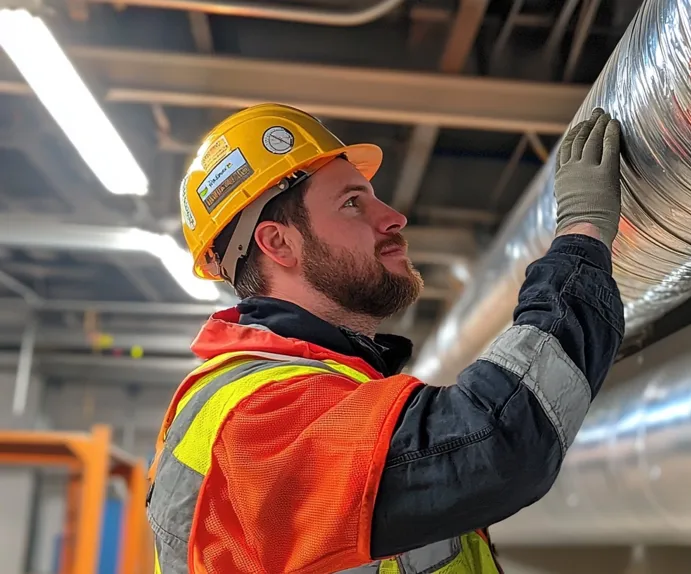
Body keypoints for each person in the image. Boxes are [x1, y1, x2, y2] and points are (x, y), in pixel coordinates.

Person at [147, 103, 625, 574]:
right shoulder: (258, 414)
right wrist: (582, 234)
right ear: (279, 244)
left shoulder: (318, 389)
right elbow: (498, 438)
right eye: (352, 203)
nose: (394, 216)